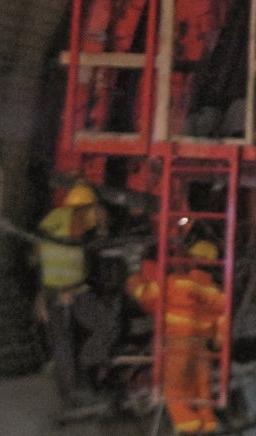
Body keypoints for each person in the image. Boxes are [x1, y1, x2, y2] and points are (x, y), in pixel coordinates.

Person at [129, 240, 228, 434]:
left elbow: (148, 296)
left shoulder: (176, 282)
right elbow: (221, 333)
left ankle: (188, 429)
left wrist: (134, 281)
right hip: (201, 350)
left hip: (178, 346)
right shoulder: (218, 294)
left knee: (175, 392)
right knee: (201, 393)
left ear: (192, 260)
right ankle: (207, 427)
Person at [34, 181, 116, 416]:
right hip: (69, 293)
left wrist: (40, 296)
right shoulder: (74, 219)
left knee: (63, 345)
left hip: (54, 292)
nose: (95, 213)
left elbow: (40, 258)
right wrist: (102, 225)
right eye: (93, 207)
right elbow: (97, 229)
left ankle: (70, 397)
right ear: (85, 207)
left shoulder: (53, 219)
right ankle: (85, 372)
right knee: (105, 325)